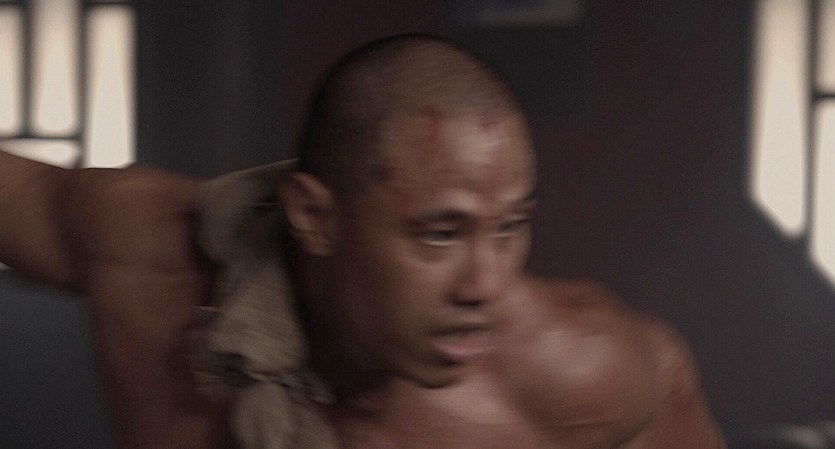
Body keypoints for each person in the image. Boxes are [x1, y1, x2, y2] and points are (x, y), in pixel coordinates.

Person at [0, 34, 726, 449]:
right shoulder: (149, 258)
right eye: (438, 234)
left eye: (509, 227)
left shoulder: (575, 372)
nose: (485, 284)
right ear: (314, 217)